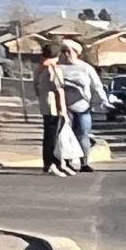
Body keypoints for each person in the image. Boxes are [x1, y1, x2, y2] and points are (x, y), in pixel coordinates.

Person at [52, 39, 108, 173]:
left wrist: (103, 101)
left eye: (69, 51)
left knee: (83, 134)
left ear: (77, 53)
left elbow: (97, 86)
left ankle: (84, 163)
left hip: (83, 108)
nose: (67, 54)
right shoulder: (58, 67)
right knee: (65, 136)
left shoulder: (86, 68)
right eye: (64, 51)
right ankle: (66, 162)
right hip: (64, 108)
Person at [36, 46, 72, 175]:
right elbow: (59, 91)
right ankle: (53, 163)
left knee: (48, 136)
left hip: (44, 105)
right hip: (54, 108)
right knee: (55, 137)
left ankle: (49, 163)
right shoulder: (53, 69)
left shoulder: (39, 68)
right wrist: (63, 110)